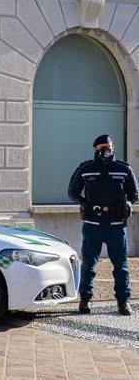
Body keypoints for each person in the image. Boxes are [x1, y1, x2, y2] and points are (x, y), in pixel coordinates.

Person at [68, 134, 138, 315]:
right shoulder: (86, 169)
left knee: (120, 265)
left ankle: (123, 301)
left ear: (113, 147)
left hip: (116, 225)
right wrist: (83, 203)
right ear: (95, 149)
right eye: (102, 148)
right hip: (93, 224)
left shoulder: (124, 169)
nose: (106, 151)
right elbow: (72, 191)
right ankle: (85, 300)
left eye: (108, 147)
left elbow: (134, 193)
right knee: (89, 264)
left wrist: (129, 204)